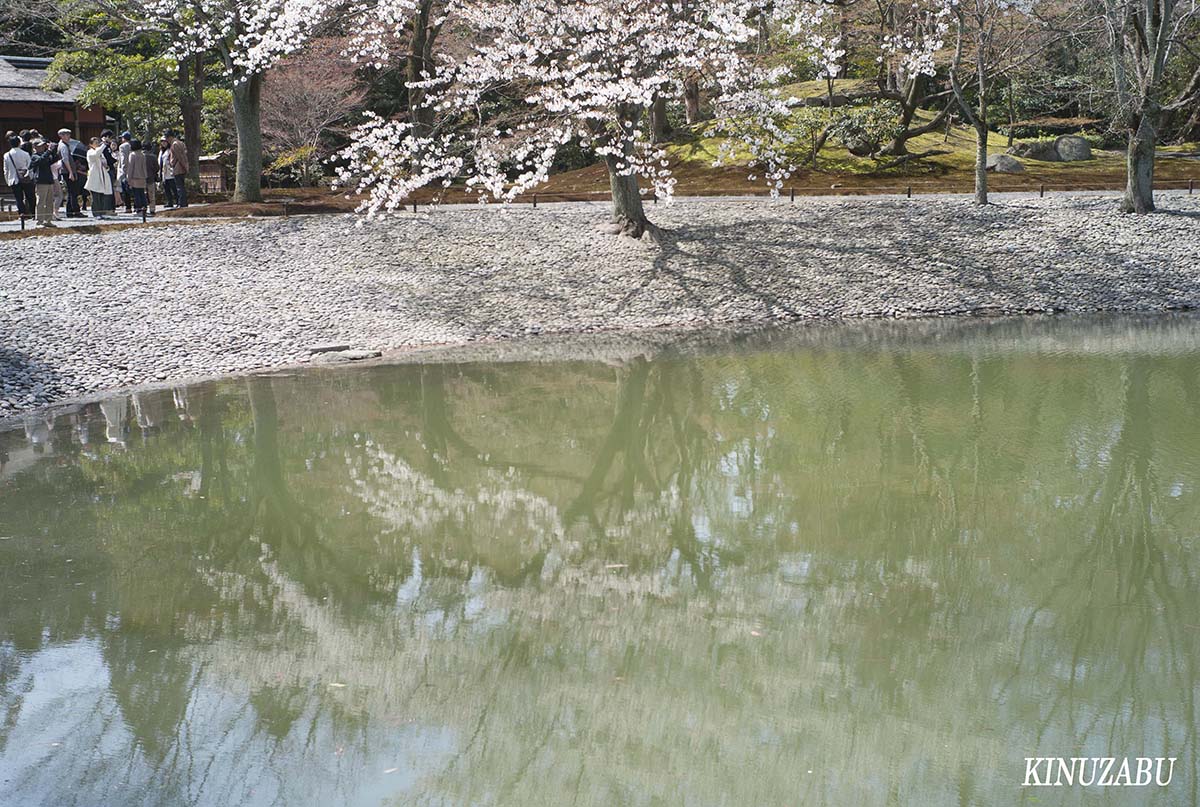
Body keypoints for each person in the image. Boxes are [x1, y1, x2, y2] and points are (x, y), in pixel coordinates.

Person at [28, 139, 61, 227]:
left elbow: (54, 160)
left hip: (49, 180)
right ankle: (39, 221)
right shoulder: (34, 156)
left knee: (50, 201)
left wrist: (53, 151)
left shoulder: (45, 154)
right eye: (40, 146)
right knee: (41, 201)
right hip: (41, 181)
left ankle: (48, 220)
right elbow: (41, 161)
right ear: (35, 147)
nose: (43, 147)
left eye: (43, 145)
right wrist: (49, 151)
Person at [57, 128, 86, 218]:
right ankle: (76, 211)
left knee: (71, 191)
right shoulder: (63, 146)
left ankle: (70, 211)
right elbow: (65, 160)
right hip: (67, 171)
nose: (68, 136)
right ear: (61, 136)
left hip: (67, 171)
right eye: (66, 134)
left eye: (68, 134)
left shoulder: (65, 145)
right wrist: (70, 172)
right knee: (73, 191)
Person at [85, 136, 116, 218]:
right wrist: (104, 144)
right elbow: (96, 154)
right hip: (95, 176)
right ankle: (96, 213)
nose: (97, 144)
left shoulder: (100, 152)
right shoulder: (90, 152)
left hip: (102, 175)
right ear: (91, 145)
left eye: (98, 142)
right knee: (96, 196)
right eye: (95, 143)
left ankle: (102, 212)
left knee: (103, 195)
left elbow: (104, 161)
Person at [4, 135, 35, 217]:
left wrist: (7, 180)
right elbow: (30, 166)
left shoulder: (6, 155)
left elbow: (6, 169)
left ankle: (22, 214)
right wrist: (30, 176)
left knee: (18, 198)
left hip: (13, 179)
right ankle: (33, 213)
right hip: (25, 177)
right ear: (19, 143)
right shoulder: (25, 154)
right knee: (30, 197)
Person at [165, 130, 189, 207]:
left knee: (179, 187)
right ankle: (183, 202)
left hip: (178, 167)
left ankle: (182, 203)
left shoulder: (175, 144)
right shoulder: (181, 143)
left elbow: (180, 157)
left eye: (167, 138)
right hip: (180, 167)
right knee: (181, 186)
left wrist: (184, 166)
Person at [126, 139, 149, 214]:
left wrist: (128, 178)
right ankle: (144, 207)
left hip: (135, 177)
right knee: (142, 193)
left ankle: (139, 208)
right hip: (142, 176)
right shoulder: (142, 154)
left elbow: (130, 167)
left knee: (137, 194)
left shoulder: (132, 155)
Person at [158, 136, 177, 208]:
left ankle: (178, 200)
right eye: (162, 142)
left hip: (170, 172)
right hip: (163, 172)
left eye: (165, 141)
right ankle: (169, 201)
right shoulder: (161, 152)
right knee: (166, 189)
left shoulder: (170, 150)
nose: (163, 143)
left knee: (173, 188)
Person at [117, 131, 132, 213]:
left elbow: (123, 159)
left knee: (125, 190)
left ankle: (128, 207)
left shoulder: (122, 146)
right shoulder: (132, 145)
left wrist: (123, 170)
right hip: (133, 170)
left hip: (125, 170)